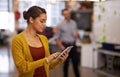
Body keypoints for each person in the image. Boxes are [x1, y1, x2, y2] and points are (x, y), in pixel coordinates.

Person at [11, 6, 68, 77]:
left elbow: (48, 65)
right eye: (42, 21)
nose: (44, 24)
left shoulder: (43, 39)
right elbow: (22, 68)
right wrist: (46, 60)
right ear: (31, 19)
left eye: (45, 21)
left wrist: (59, 60)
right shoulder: (17, 40)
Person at [55, 9, 80, 77]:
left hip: (73, 45)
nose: (67, 15)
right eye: (65, 14)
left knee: (76, 63)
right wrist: (61, 47)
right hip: (65, 46)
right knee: (65, 64)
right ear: (63, 15)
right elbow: (56, 37)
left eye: (68, 13)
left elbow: (76, 33)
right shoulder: (60, 24)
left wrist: (77, 34)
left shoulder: (74, 23)